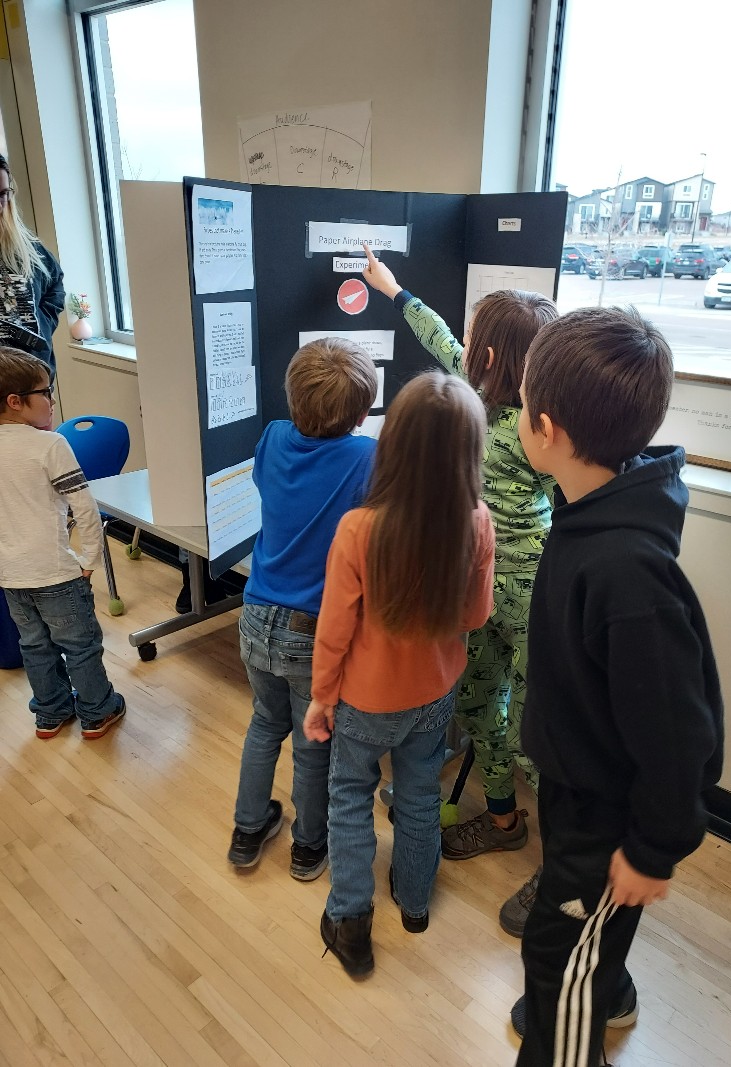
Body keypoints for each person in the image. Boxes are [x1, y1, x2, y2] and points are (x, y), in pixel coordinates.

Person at [513, 306, 724, 1066]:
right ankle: (588, 983)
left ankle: (566, 1018)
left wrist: (654, 850)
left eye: (521, 403)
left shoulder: (627, 573)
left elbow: (677, 733)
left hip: (610, 816)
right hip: (579, 788)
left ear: (549, 429)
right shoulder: (593, 507)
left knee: (558, 954)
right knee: (571, 940)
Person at [361, 244, 557, 935]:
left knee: (541, 731)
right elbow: (440, 335)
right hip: (476, 587)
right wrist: (394, 290)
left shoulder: (544, 428)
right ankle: (501, 816)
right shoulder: (470, 395)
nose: (465, 345)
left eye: (478, 341)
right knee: (478, 704)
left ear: (496, 361)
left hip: (533, 598)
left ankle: (562, 868)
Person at [303, 372, 495, 978]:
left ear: (393, 444)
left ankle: (350, 920)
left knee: (350, 798)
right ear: (470, 451)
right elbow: (475, 615)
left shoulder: (359, 529)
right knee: (418, 795)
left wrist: (319, 700)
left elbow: (333, 632)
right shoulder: (477, 521)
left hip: (364, 703)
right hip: (434, 694)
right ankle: (414, 905)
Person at [228, 337, 378, 880]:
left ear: (292, 398)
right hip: (312, 629)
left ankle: (248, 829)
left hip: (254, 614)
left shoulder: (271, 437)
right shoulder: (367, 455)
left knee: (265, 724)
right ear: (363, 412)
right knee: (314, 741)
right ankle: (309, 845)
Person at [0, 347, 125, 738]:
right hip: (56, 574)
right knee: (81, 645)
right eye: (46, 391)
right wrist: (90, 560)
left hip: (12, 577)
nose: (52, 400)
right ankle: (97, 711)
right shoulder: (50, 445)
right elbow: (85, 509)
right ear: (16, 402)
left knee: (34, 645)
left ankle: (51, 713)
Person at [0, 156, 64, 372]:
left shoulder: (28, 249)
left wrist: (42, 326)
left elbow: (55, 285)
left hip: (32, 377)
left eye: (3, 194)